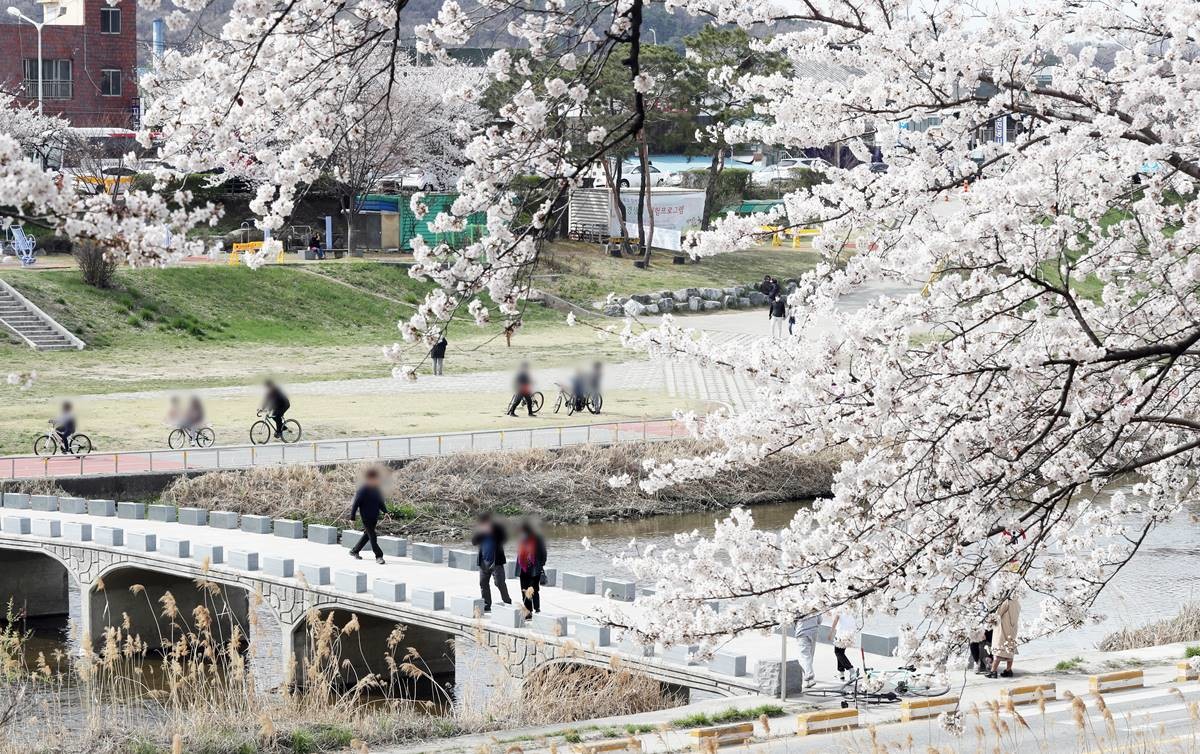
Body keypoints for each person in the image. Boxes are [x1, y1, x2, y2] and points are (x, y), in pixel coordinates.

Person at [471, 511, 512, 611]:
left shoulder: (497, 528)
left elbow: (505, 539)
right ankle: (486, 604)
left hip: (496, 562)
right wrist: (481, 532)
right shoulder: (480, 529)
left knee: (500, 583)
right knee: (483, 583)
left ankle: (507, 602)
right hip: (483, 562)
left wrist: (492, 532)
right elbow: (474, 542)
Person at [348, 466, 387, 564]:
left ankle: (354, 551)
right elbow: (356, 503)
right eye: (375, 479)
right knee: (373, 536)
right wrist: (352, 517)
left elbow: (380, 502)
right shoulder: (363, 490)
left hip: (374, 517)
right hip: (366, 517)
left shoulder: (376, 489)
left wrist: (386, 512)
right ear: (369, 479)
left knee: (367, 535)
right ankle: (379, 556)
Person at [515, 520, 548, 614]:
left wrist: (541, 564)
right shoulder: (521, 538)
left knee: (534, 590)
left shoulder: (538, 538)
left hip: (534, 568)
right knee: (524, 590)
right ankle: (528, 611)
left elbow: (543, 553)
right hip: (523, 568)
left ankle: (537, 609)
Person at [986, 595, 1021, 678]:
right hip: (1013, 629)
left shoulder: (1006, 602)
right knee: (1010, 649)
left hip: (1003, 628)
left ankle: (993, 671)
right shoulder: (1017, 602)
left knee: (998, 649)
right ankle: (1008, 670)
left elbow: (998, 614)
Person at [829, 608, 858, 681]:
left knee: (838, 652)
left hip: (841, 635)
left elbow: (835, 620)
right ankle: (841, 673)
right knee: (841, 653)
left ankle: (851, 670)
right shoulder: (851, 608)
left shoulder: (839, 609)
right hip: (849, 635)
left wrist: (831, 633)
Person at [794, 613, 821, 686]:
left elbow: (792, 618)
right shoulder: (816, 604)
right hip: (813, 632)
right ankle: (808, 680)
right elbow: (820, 620)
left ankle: (809, 677)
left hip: (802, 632)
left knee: (805, 656)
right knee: (810, 655)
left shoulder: (797, 605)